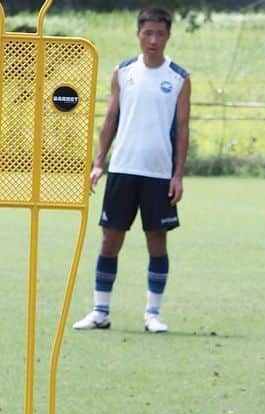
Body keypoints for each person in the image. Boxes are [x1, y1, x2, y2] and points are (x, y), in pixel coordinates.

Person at [73, 6, 191, 334]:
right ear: (138, 34)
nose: (153, 40)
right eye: (147, 33)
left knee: (157, 241)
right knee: (110, 241)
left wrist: (178, 174)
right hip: (122, 170)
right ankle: (100, 311)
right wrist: (99, 163)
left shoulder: (179, 78)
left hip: (158, 174)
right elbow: (110, 118)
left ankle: (153, 314)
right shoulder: (123, 72)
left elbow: (182, 129)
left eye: (160, 34)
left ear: (168, 37)